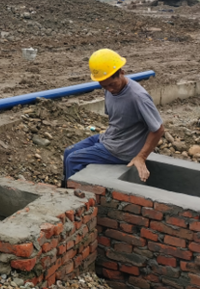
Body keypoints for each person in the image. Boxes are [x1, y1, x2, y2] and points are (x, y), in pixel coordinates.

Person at [62, 48, 164, 186]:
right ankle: (66, 187)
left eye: (111, 84)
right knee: (68, 152)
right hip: (110, 139)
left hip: (122, 150)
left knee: (74, 160)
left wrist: (141, 157)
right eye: (104, 86)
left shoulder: (137, 97)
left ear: (122, 73)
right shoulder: (110, 90)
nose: (109, 89)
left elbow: (158, 129)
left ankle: (76, 198)